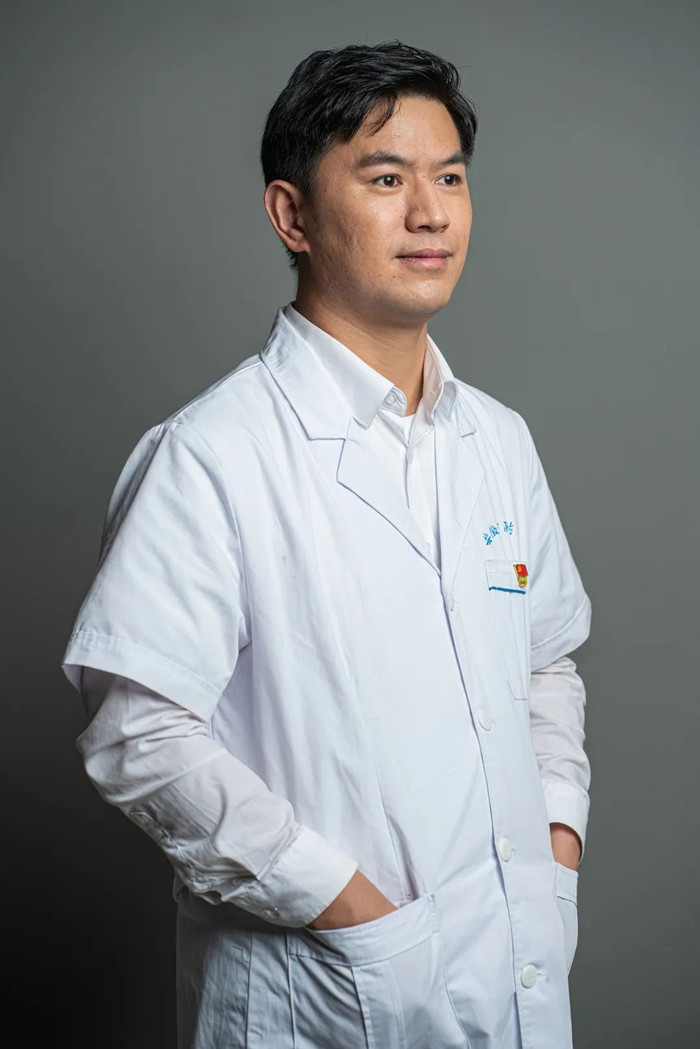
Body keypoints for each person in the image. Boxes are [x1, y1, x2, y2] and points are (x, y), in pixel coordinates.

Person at [61, 40, 592, 1049]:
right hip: (325, 990)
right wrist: (345, 906)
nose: (430, 213)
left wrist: (555, 848)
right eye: (386, 179)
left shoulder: (498, 440)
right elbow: (139, 730)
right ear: (292, 215)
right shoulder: (211, 453)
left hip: (515, 970)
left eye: (449, 178)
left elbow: (544, 662)